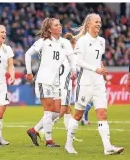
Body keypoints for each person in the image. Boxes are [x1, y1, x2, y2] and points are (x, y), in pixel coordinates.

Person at [65, 13, 124, 155]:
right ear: (89, 23)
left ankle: (107, 147)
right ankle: (68, 144)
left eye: (100, 21)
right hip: (85, 83)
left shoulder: (102, 41)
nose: (99, 24)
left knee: (102, 114)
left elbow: (97, 60)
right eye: (96, 21)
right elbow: (79, 61)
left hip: (98, 83)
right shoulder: (83, 41)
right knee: (78, 115)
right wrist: (95, 69)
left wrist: (101, 68)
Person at [25, 18, 76, 147]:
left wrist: (74, 70)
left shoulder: (65, 42)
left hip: (56, 81)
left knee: (57, 111)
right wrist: (29, 72)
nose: (60, 26)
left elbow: (71, 58)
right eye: (56, 25)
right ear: (49, 29)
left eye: (60, 24)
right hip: (43, 80)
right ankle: (49, 140)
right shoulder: (43, 42)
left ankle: (34, 130)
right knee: (48, 112)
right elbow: (28, 54)